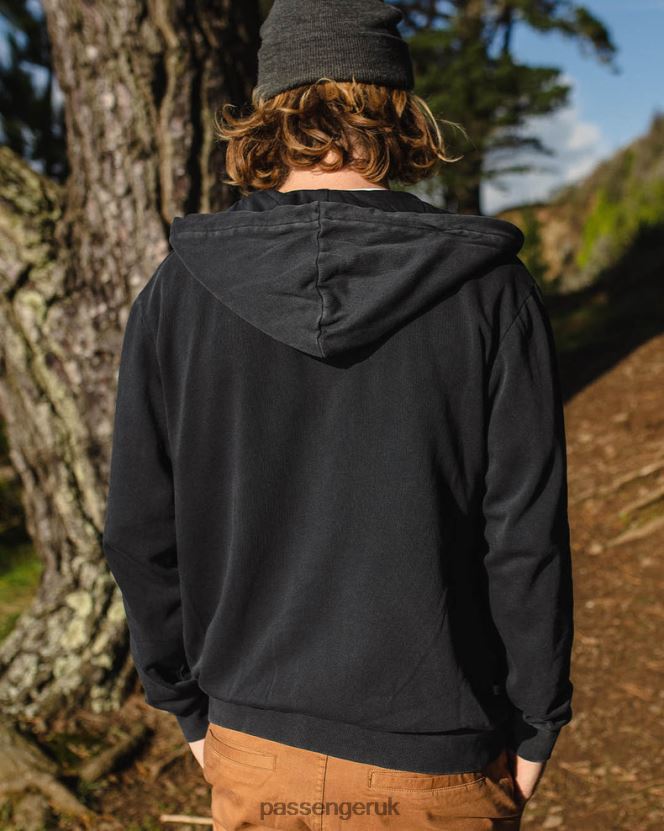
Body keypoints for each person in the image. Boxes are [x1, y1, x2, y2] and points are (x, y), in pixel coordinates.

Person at [102, 1, 574, 828]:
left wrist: (185, 706)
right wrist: (537, 718)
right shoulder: (492, 294)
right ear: (397, 106)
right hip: (440, 764)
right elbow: (523, 536)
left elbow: (139, 531)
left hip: (255, 748)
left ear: (269, 110)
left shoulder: (177, 295)